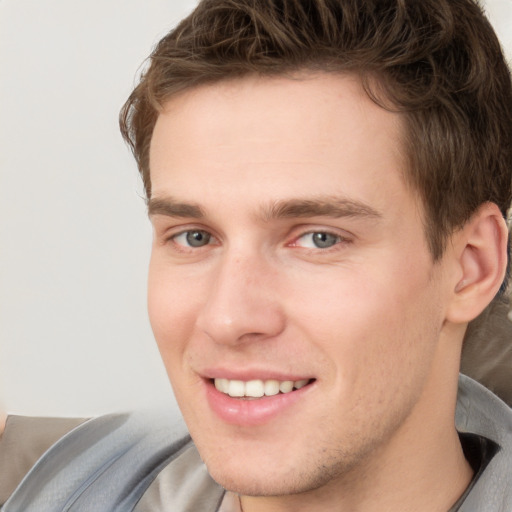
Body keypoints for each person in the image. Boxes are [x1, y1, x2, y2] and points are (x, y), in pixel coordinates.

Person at [2, 0, 512, 510]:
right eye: (195, 236)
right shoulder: (67, 485)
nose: (227, 318)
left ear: (471, 267)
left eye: (319, 238)